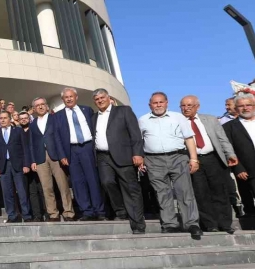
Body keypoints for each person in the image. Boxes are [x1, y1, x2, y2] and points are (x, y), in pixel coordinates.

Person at [139, 92, 202, 239]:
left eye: (161, 102)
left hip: (178, 157)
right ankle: (170, 224)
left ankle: (191, 223)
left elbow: (188, 138)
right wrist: (141, 159)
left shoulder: (178, 117)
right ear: (150, 105)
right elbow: (139, 142)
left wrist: (194, 159)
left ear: (167, 103)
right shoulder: (142, 120)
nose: (158, 105)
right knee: (162, 193)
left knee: (185, 191)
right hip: (154, 160)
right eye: (155, 103)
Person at [89, 88, 146, 234]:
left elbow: (135, 133)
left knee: (130, 189)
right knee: (107, 182)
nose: (100, 101)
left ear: (109, 98)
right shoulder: (94, 117)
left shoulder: (123, 111)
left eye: (102, 97)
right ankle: (121, 211)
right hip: (103, 157)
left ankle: (138, 224)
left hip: (124, 156)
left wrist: (138, 153)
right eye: (97, 99)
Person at [180, 95, 238, 233]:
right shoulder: (178, 122)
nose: (186, 108)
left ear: (197, 106)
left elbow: (222, 139)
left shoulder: (210, 119)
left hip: (213, 159)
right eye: (183, 106)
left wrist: (230, 154)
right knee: (201, 193)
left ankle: (225, 223)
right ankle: (210, 224)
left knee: (220, 191)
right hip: (193, 161)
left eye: (189, 105)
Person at [54, 87, 104, 221]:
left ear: (76, 97)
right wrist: (62, 155)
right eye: (66, 97)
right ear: (63, 99)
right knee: (77, 182)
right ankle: (86, 211)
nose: (69, 99)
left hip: (87, 147)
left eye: (71, 96)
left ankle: (99, 211)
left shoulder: (87, 110)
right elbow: (57, 137)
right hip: (71, 151)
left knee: (93, 179)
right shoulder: (58, 116)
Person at [223, 92, 255, 232]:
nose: (245, 108)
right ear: (236, 109)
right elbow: (229, 150)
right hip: (254, 165)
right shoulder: (229, 127)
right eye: (241, 106)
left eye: (248, 105)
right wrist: (238, 168)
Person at [29, 97, 74, 221]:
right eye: (37, 105)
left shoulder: (55, 119)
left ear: (47, 106)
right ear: (34, 108)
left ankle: (68, 212)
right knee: (46, 188)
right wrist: (33, 160)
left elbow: (62, 137)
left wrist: (63, 155)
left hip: (56, 156)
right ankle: (53, 213)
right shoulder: (32, 124)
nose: (41, 107)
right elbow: (31, 144)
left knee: (63, 185)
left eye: (43, 104)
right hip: (40, 159)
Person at [0, 111, 31, 223]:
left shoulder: (18, 131)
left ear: (10, 119)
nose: (3, 120)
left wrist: (26, 164)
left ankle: (26, 215)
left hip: (18, 165)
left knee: (22, 191)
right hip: (3, 166)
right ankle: (12, 216)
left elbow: (25, 148)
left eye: (5, 118)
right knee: (7, 193)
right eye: (1, 118)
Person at [18, 111, 45, 221]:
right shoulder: (17, 132)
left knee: (43, 189)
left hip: (38, 163)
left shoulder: (34, 130)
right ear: (19, 120)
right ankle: (37, 215)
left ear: (29, 119)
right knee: (31, 191)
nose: (24, 120)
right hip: (25, 166)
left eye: (26, 118)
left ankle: (47, 212)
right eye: (21, 118)